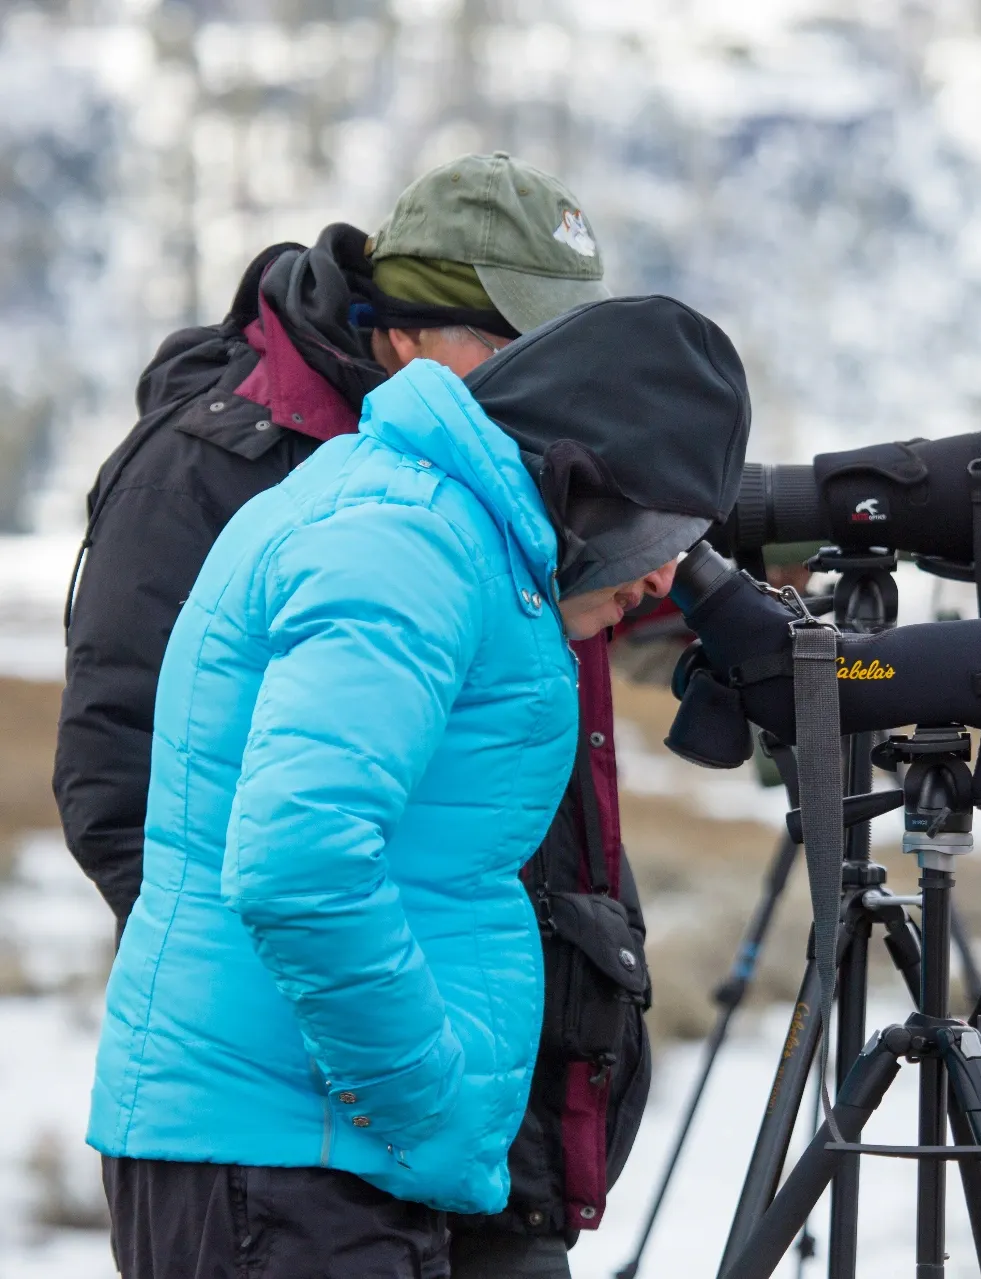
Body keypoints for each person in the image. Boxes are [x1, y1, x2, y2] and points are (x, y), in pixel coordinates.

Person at [53, 153, 654, 1276]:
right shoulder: (221, 468)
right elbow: (132, 792)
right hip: (324, 1119)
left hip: (469, 1115)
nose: (556, 380)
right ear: (410, 330)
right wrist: (377, 1059)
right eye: (523, 345)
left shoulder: (497, 474)